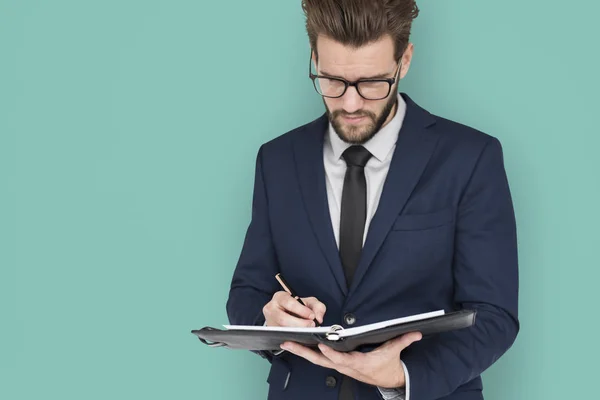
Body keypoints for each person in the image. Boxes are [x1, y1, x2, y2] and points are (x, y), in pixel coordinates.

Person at [225, 1, 519, 399]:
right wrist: (270, 320)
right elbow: (247, 291)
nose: (350, 104)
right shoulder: (277, 160)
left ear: (405, 60)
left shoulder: (469, 158)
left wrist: (404, 375)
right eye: (332, 81)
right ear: (314, 58)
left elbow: (493, 315)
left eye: (372, 83)